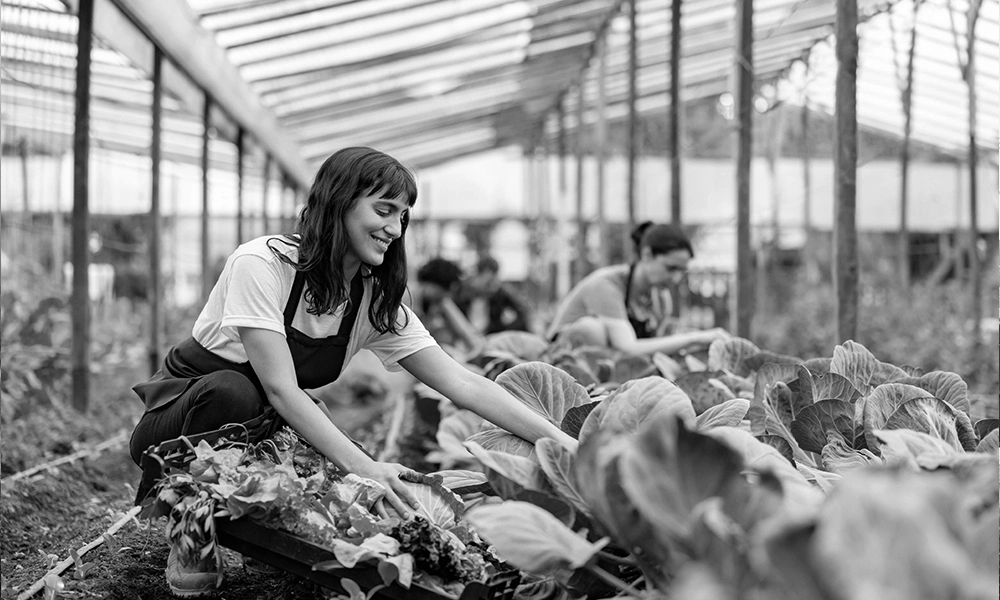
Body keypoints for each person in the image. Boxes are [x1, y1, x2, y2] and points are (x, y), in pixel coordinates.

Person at [128, 147, 576, 597]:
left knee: (341, 487)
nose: (394, 229)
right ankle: (190, 529)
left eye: (403, 216)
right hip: (179, 428)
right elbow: (282, 391)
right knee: (234, 392)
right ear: (338, 202)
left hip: (264, 431)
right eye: (383, 210)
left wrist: (564, 444)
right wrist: (367, 467)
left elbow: (462, 382)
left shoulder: (372, 299)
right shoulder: (262, 264)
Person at [545, 221, 727, 354]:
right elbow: (628, 348)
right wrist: (694, 338)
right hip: (561, 363)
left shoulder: (660, 299)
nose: (676, 278)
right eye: (671, 268)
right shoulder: (605, 285)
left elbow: (654, 348)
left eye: (681, 271)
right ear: (647, 254)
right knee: (592, 330)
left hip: (609, 368)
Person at [413, 257, 484, 353]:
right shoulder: (406, 301)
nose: (448, 296)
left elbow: (466, 332)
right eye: (446, 291)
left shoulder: (441, 301)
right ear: (432, 284)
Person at [464, 255, 533, 335]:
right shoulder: (466, 294)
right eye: (488, 281)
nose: (491, 284)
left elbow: (524, 308)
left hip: (491, 336)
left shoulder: (500, 292)